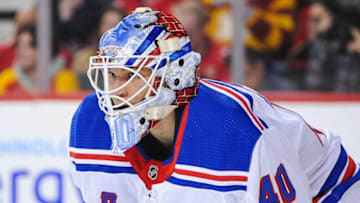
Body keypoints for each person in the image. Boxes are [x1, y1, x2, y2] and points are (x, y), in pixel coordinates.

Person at [69, 8, 360, 202]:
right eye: (110, 74)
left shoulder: (237, 133)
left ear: (171, 77)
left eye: (132, 75)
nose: (116, 90)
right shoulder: (89, 123)